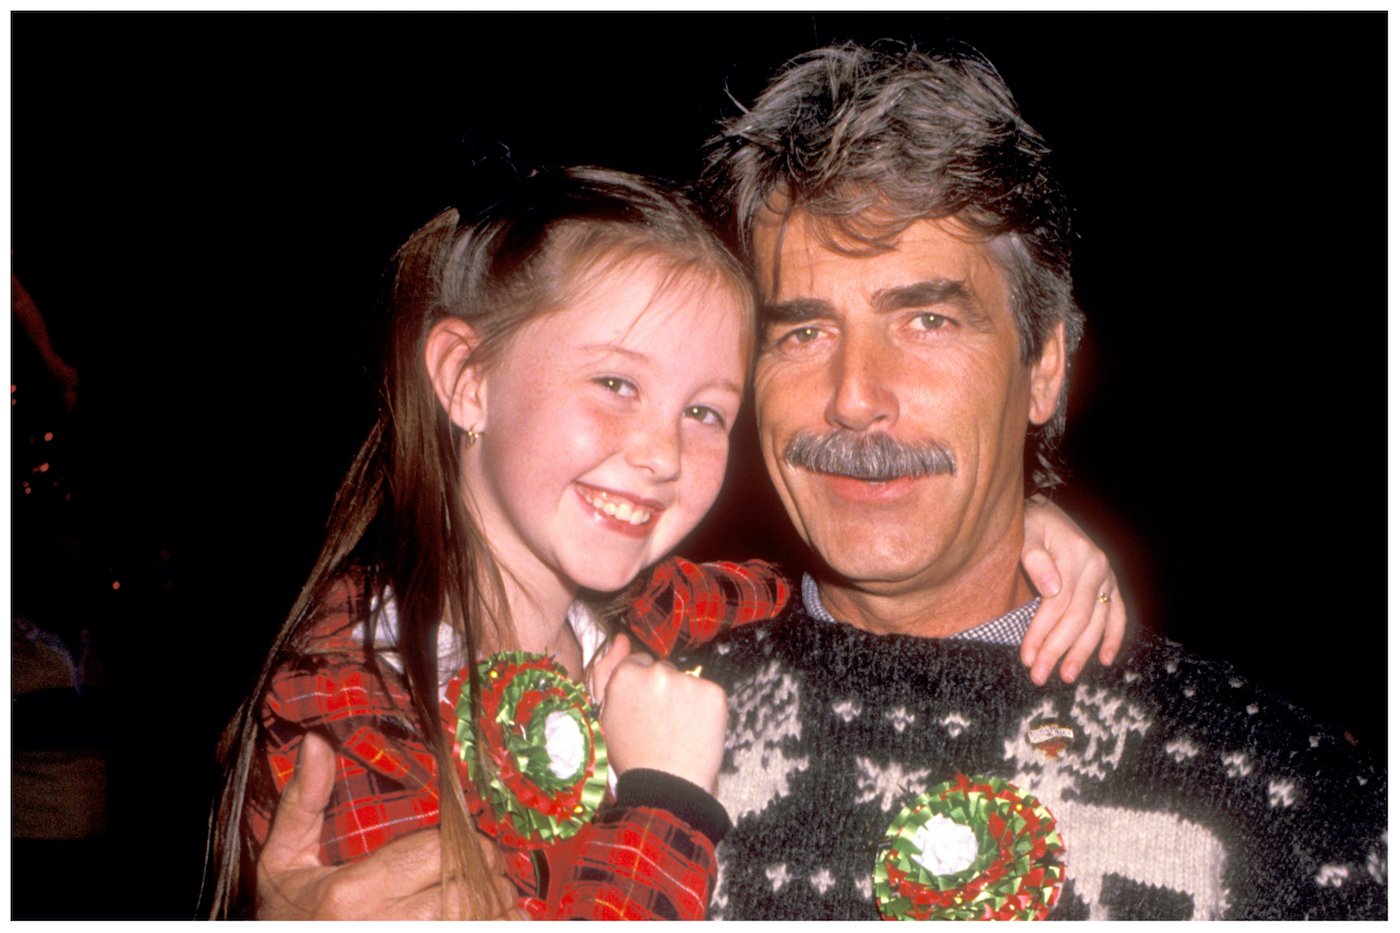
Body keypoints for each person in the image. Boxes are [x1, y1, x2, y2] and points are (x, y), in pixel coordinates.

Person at [210, 166, 1124, 920]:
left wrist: (1007, 523)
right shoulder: (352, 698)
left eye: (704, 411)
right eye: (615, 381)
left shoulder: (637, 617)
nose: (658, 453)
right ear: (465, 378)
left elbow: (783, 585)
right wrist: (665, 797)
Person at [685, 40, 1386, 920]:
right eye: (802, 332)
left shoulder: (1293, 810)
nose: (855, 398)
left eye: (928, 320)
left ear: (1046, 362)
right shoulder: (618, 730)